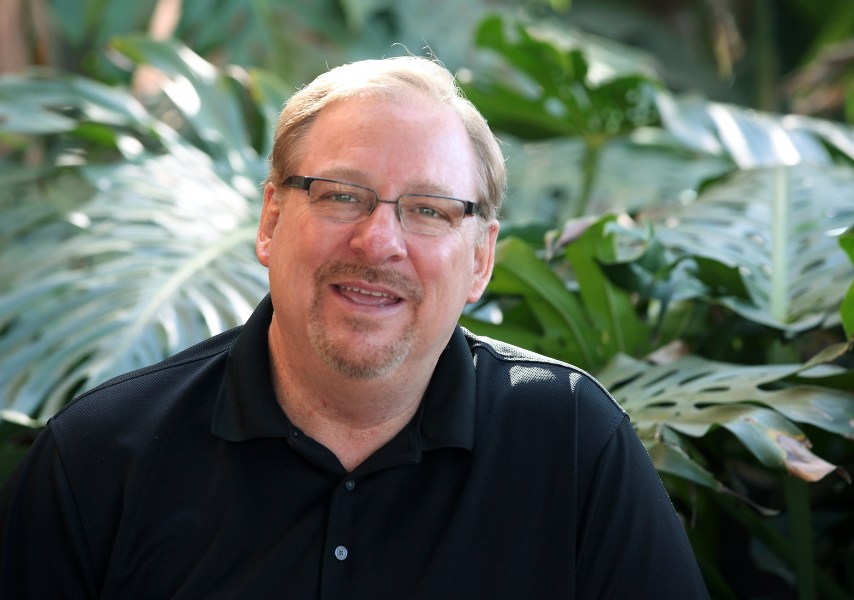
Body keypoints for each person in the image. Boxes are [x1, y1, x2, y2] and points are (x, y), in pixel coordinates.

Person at [0, 56, 708, 598]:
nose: (379, 242)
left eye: (429, 209)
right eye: (342, 195)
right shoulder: (100, 458)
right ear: (272, 220)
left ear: (481, 259)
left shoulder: (575, 444)